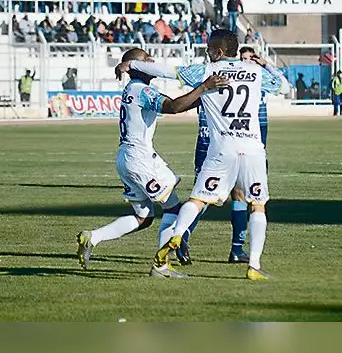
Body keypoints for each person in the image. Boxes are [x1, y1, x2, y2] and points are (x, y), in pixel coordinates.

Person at [124, 29, 283, 280]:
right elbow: (281, 85)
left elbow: (167, 71)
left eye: (209, 49)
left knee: (198, 199)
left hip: (221, 148)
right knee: (257, 205)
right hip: (253, 147)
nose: (207, 53)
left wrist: (131, 64)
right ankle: (254, 265)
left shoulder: (206, 71)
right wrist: (266, 64)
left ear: (218, 52)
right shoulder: (254, 71)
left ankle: (178, 234)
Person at [76, 48, 227, 277]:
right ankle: (161, 266)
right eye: (146, 59)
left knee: (144, 218)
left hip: (127, 157)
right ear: (137, 66)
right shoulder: (141, 90)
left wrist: (205, 96)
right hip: (140, 158)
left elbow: (178, 103)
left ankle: (92, 237)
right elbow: (174, 107)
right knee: (173, 208)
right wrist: (203, 88)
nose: (152, 61)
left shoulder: (133, 88)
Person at [178, 46, 285, 265]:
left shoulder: (252, 79)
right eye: (244, 58)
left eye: (250, 59)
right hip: (216, 140)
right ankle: (183, 235)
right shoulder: (221, 76)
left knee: (239, 194)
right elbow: (283, 85)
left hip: (242, 141)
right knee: (205, 196)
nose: (247, 62)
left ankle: (236, 249)